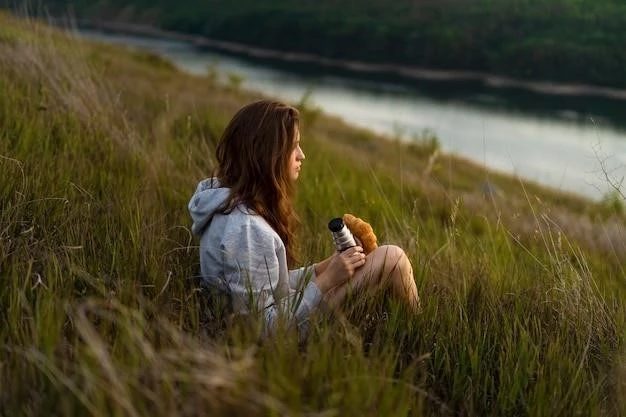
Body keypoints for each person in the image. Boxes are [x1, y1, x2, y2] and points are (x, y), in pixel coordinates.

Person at [188, 99, 420, 338]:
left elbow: (269, 289)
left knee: (384, 258)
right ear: (268, 154)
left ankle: (405, 330)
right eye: (294, 146)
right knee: (393, 258)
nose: (302, 155)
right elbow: (260, 329)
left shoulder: (231, 208)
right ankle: (417, 337)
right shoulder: (246, 230)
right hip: (277, 340)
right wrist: (327, 281)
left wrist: (327, 267)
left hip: (273, 321)